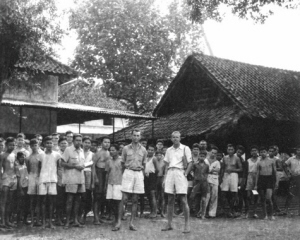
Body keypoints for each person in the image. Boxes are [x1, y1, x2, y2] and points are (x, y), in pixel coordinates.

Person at [162, 131, 192, 233]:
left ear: (180, 138)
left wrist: (186, 174)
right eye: (173, 137)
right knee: (170, 199)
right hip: (170, 173)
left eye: (177, 137)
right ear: (171, 138)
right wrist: (165, 178)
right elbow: (166, 165)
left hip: (180, 173)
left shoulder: (185, 148)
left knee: (183, 200)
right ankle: (169, 224)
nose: (175, 139)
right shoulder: (169, 150)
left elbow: (190, 163)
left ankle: (187, 225)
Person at [121, 129, 147, 231]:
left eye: (138, 136)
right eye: (134, 135)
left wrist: (142, 175)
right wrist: (124, 174)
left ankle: (131, 222)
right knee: (124, 199)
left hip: (138, 173)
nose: (136, 137)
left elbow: (144, 164)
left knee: (135, 199)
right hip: (128, 172)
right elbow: (122, 162)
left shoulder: (143, 149)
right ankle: (119, 221)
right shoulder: (125, 148)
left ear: (140, 137)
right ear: (131, 136)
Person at [61, 134, 86, 229]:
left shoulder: (82, 151)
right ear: (73, 141)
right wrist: (75, 166)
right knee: (70, 200)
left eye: (80, 140)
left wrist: (83, 166)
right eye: (77, 140)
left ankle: (75, 220)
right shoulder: (68, 150)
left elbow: (82, 164)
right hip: (71, 179)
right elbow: (62, 163)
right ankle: (67, 221)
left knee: (77, 201)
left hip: (80, 179)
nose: (79, 142)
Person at [38, 136, 61, 229]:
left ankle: (50, 222)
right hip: (43, 180)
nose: (49, 145)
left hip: (53, 180)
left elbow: (59, 168)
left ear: (53, 144)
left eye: (50, 143)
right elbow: (40, 168)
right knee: (43, 201)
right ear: (44, 144)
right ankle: (43, 222)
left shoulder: (57, 155)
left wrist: (59, 179)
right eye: (47, 143)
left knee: (51, 201)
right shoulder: (41, 155)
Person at [92, 137, 111, 224]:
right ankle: (95, 218)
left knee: (103, 196)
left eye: (108, 142)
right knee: (97, 196)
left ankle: (99, 216)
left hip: (106, 174)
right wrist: (95, 177)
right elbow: (93, 166)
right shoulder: (98, 153)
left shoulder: (109, 153)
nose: (107, 144)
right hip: (99, 173)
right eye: (105, 142)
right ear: (102, 143)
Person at [220, 144, 242, 217]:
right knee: (223, 193)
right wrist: (221, 178)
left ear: (234, 150)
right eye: (229, 149)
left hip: (234, 175)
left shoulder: (237, 158)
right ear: (227, 150)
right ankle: (226, 209)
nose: (230, 151)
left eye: (231, 149)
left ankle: (232, 209)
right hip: (226, 175)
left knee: (234, 193)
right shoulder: (224, 158)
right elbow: (222, 168)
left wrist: (232, 169)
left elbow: (240, 169)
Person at [105, 144, 123, 231]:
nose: (111, 152)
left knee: (118, 202)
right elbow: (107, 173)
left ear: (118, 151)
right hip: (110, 183)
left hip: (119, 183)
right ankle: (115, 219)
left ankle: (119, 221)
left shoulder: (122, 160)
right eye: (110, 150)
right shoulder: (109, 161)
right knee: (111, 202)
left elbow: (124, 173)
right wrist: (106, 185)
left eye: (113, 150)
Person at [255, 146, 276, 220]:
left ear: (266, 152)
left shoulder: (271, 161)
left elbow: (274, 172)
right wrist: (255, 184)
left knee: (268, 198)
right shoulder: (259, 162)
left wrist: (275, 182)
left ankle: (271, 214)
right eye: (261, 152)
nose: (263, 153)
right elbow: (257, 173)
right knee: (262, 198)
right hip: (261, 179)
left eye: (264, 152)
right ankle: (265, 215)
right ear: (259, 153)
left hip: (269, 179)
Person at [0, 137, 17, 228]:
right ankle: (2, 221)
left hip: (13, 179)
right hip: (5, 179)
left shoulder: (14, 155)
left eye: (13, 145)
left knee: (10, 202)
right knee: (3, 201)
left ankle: (7, 220)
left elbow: (15, 168)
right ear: (6, 145)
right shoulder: (2, 155)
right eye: (10, 145)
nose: (12, 146)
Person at [187, 151, 209, 219]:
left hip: (204, 183)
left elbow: (207, 173)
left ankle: (203, 214)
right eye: (200, 156)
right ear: (198, 156)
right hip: (196, 182)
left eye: (203, 156)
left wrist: (205, 178)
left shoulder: (207, 165)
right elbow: (191, 171)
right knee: (193, 197)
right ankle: (189, 212)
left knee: (203, 198)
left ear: (205, 157)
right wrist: (195, 177)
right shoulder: (195, 164)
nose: (201, 157)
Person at [27, 138, 42, 227]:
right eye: (32, 145)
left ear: (38, 145)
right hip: (32, 178)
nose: (34, 147)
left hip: (40, 178)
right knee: (32, 200)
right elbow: (28, 170)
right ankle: (32, 220)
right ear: (30, 146)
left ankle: (38, 220)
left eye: (35, 145)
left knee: (39, 200)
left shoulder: (41, 156)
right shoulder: (28, 157)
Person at [283, 146, 300, 216]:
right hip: (294, 177)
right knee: (290, 193)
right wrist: (288, 173)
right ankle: (286, 210)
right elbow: (284, 165)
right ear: (296, 151)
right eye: (299, 150)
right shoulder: (291, 159)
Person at [80, 136, 94, 224]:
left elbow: (92, 167)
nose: (87, 144)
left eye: (89, 143)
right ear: (82, 143)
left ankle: (84, 215)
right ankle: (78, 215)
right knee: (79, 195)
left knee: (87, 195)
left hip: (88, 175)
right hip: (79, 174)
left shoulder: (92, 154)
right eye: (85, 142)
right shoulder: (79, 152)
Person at [245, 145, 260, 219]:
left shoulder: (259, 160)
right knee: (248, 196)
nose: (254, 152)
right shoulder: (248, 160)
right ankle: (247, 212)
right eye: (252, 151)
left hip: (257, 178)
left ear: (257, 152)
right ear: (250, 152)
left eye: (255, 150)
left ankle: (254, 212)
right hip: (250, 178)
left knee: (255, 195)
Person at [205, 146, 221, 218]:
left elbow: (217, 171)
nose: (213, 154)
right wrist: (212, 170)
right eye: (212, 152)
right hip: (206, 179)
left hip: (214, 180)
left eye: (215, 153)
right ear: (209, 152)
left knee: (214, 196)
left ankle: (212, 213)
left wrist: (211, 170)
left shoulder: (217, 162)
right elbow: (204, 170)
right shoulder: (205, 160)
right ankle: (203, 212)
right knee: (206, 196)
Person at [56, 136, 68, 226]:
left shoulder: (69, 153)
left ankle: (65, 218)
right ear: (59, 145)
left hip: (69, 180)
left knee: (66, 201)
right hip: (59, 180)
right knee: (59, 201)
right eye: (62, 143)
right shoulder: (57, 155)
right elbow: (56, 169)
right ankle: (58, 218)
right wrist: (59, 180)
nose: (64, 145)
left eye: (65, 143)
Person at [144, 144, 158, 218]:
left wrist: (153, 176)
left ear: (154, 151)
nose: (150, 151)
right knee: (148, 195)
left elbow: (157, 169)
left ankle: (154, 212)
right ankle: (151, 211)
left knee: (152, 194)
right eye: (149, 150)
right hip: (146, 177)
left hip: (152, 177)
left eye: (152, 150)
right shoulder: (145, 158)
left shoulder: (154, 158)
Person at [15, 152, 29, 225]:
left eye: (23, 157)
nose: (22, 158)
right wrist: (20, 189)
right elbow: (18, 178)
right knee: (19, 204)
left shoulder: (26, 166)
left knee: (26, 204)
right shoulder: (17, 167)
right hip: (21, 187)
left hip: (27, 186)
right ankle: (18, 220)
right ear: (18, 158)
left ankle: (25, 219)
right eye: (21, 157)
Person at [236, 145, 247, 216]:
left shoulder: (243, 161)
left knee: (241, 193)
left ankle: (241, 209)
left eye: (240, 152)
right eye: (238, 151)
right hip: (234, 178)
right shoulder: (233, 158)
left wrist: (243, 180)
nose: (239, 153)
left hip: (240, 179)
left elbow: (244, 172)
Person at [155, 151, 166, 217]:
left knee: (162, 196)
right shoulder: (154, 161)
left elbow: (165, 172)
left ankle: (162, 211)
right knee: (156, 195)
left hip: (161, 178)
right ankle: (155, 210)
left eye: (160, 155)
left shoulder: (164, 162)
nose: (159, 156)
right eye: (157, 155)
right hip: (155, 178)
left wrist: (164, 180)